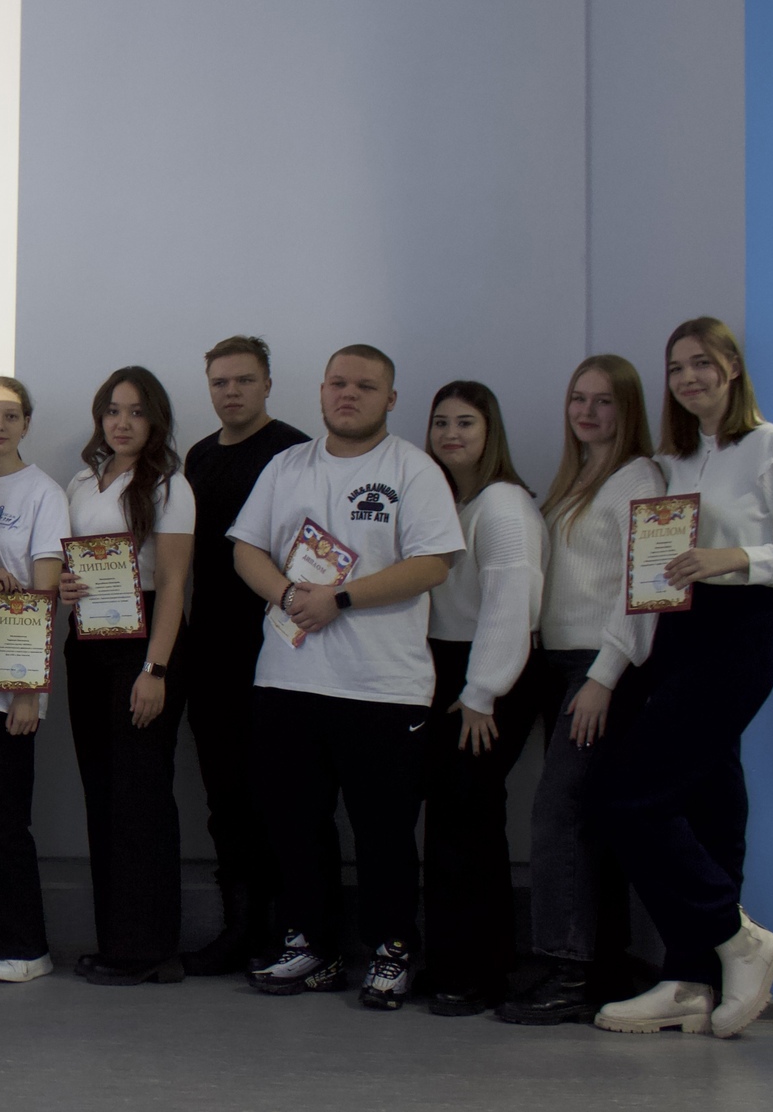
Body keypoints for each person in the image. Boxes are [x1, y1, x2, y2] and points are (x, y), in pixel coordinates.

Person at [585, 317, 773, 1037]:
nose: (688, 378)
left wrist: (735, 559)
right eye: (676, 368)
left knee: (630, 795)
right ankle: (690, 977)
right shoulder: (675, 461)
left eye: (701, 363)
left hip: (738, 631)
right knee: (707, 803)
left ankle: (737, 937)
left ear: (731, 367)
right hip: (676, 631)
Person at [229, 344, 463, 1009]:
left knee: (384, 830)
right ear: (321, 391)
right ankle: (313, 945)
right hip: (288, 678)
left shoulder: (411, 469)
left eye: (365, 385)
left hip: (382, 687)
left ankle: (392, 949)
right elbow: (246, 548)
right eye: (338, 383)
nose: (348, 394)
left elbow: (434, 564)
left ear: (391, 398)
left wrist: (342, 597)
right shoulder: (287, 466)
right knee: (295, 823)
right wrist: (286, 594)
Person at [495, 356, 664, 1026]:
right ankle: (602, 963)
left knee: (558, 815)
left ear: (628, 409)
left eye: (604, 401)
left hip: (599, 669)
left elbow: (645, 589)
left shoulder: (640, 478)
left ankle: (568, 971)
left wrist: (603, 677)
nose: (588, 412)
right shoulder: (577, 478)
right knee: (586, 818)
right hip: (558, 662)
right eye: (578, 399)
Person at [57, 368, 196, 985]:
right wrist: (65, 587)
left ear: (155, 420)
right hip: (88, 644)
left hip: (145, 647)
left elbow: (173, 584)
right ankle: (117, 940)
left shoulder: (169, 485)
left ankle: (148, 950)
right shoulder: (82, 481)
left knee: (140, 798)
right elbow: (69, 561)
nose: (122, 422)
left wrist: (155, 670)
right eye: (113, 411)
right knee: (103, 793)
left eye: (136, 412)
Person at [177, 336, 309, 974]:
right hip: (211, 650)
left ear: (267, 385)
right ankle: (241, 928)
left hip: (283, 649)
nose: (231, 392)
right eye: (220, 382)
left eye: (244, 380)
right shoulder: (199, 457)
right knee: (224, 795)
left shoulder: (296, 452)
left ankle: (292, 932)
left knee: (282, 794)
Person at [417, 380, 543, 1014]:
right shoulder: (452, 501)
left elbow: (509, 603)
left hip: (489, 674)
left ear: (490, 432)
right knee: (449, 818)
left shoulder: (502, 504)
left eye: (465, 422)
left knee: (469, 820)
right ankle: (450, 960)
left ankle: (479, 972)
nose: (450, 434)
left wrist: (482, 693)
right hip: (447, 666)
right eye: (440, 423)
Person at [0, 375, 71, 984]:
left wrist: (28, 691)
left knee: (4, 819)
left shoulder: (43, 493)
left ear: (26, 423)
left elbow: (45, 593)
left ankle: (28, 946)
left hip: (12, 685)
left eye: (9, 415)